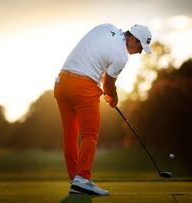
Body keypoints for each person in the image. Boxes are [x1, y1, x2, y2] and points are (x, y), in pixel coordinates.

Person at [54, 23, 152, 195]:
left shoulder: (107, 27)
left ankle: (75, 179)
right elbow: (108, 84)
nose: (139, 52)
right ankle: (82, 178)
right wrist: (113, 97)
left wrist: (106, 91)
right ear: (133, 39)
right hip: (83, 86)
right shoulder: (122, 56)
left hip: (61, 82)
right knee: (90, 134)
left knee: (70, 133)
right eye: (140, 47)